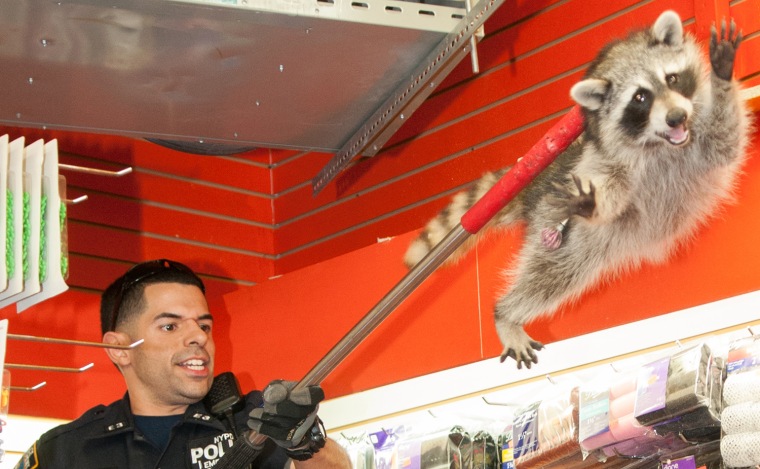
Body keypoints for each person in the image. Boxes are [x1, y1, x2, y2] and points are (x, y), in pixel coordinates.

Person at [15, 259, 353, 468]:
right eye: (170, 326)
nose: (198, 337)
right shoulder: (65, 452)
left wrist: (306, 443)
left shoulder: (253, 420)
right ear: (119, 349)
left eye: (204, 325)